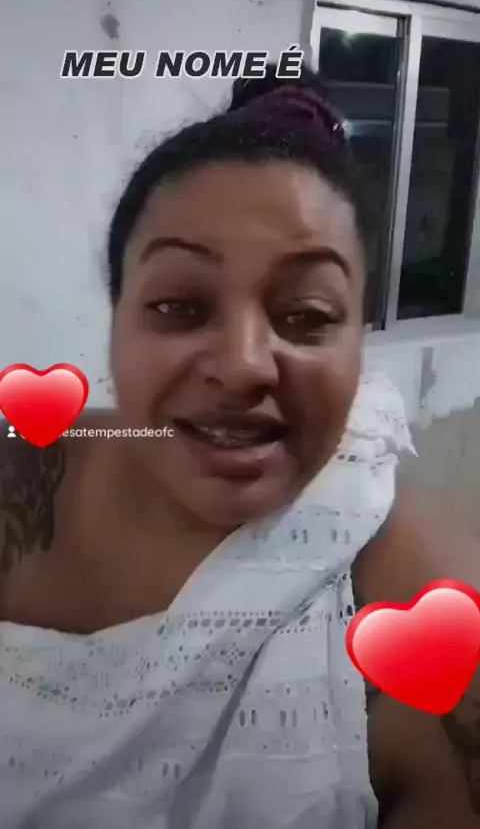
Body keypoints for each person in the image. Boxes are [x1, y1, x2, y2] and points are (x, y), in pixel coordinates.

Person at [0, 64, 479, 829]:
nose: (245, 363)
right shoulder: (22, 474)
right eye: (181, 305)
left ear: (360, 343)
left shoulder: (419, 601)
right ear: (117, 320)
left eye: (307, 314)